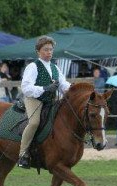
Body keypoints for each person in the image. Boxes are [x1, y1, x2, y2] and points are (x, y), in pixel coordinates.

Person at [18, 35, 71, 169]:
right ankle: (23, 154)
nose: (49, 52)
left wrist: (74, 91)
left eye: (51, 49)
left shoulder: (55, 68)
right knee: (34, 122)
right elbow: (26, 87)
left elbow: (64, 85)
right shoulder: (33, 66)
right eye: (46, 49)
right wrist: (44, 88)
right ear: (38, 52)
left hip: (50, 101)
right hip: (34, 100)